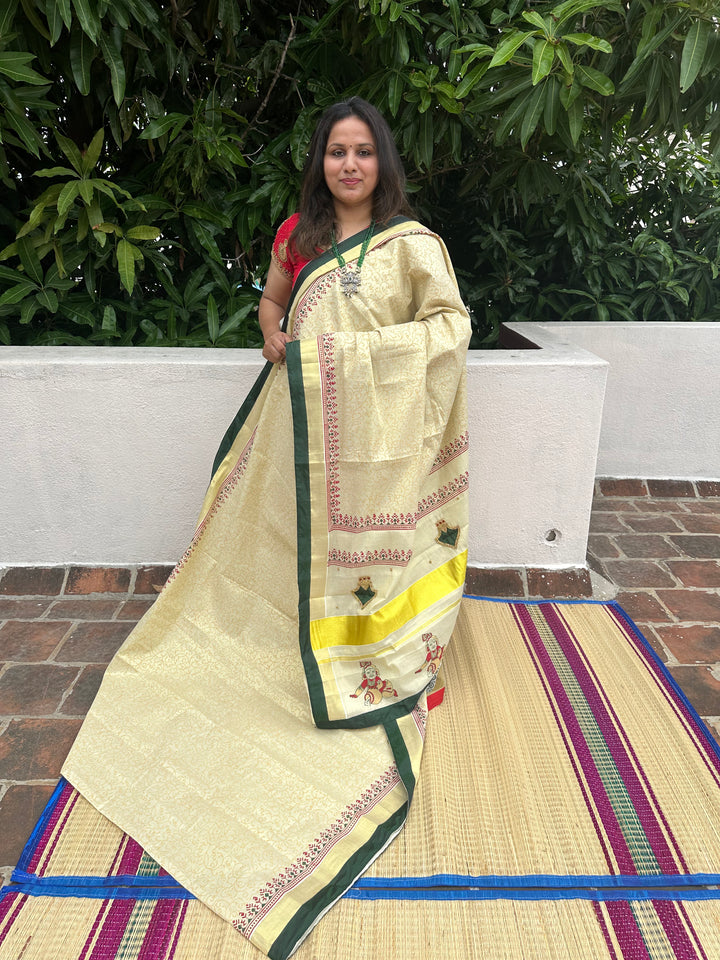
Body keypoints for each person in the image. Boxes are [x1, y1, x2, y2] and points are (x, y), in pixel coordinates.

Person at [61, 98, 470, 960]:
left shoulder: (412, 246)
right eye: (335, 153)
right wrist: (276, 333)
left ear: (381, 162)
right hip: (298, 438)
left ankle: (384, 650)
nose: (349, 166)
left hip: (376, 451)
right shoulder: (299, 231)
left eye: (362, 153)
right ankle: (295, 633)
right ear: (319, 162)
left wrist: (359, 361)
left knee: (373, 554)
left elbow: (449, 331)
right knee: (281, 548)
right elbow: (272, 304)